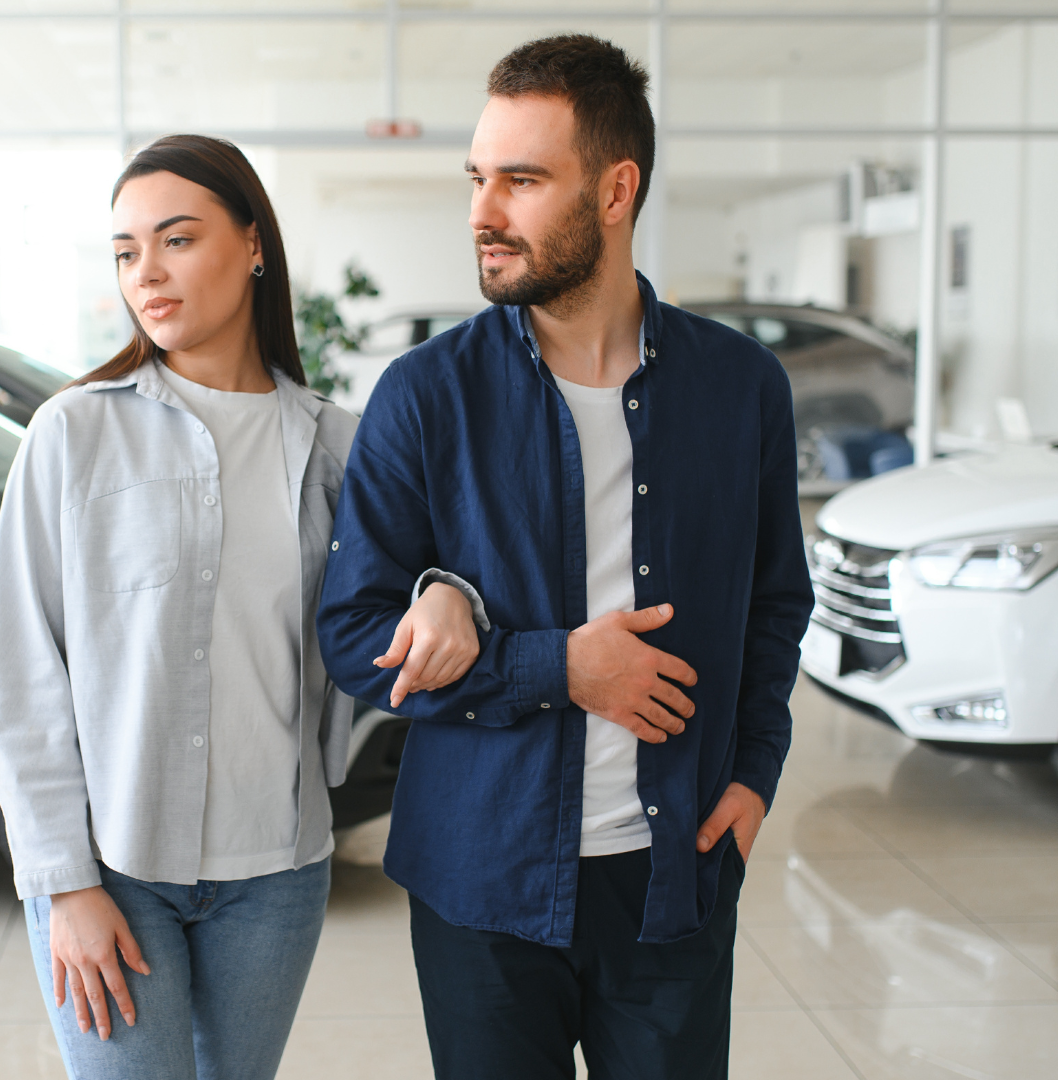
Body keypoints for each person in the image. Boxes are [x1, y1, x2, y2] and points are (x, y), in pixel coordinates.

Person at [315, 36, 815, 1080]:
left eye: (522, 180)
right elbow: (354, 637)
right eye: (477, 177)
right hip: (481, 885)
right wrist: (559, 667)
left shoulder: (741, 390)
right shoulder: (425, 395)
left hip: (674, 873)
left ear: (616, 189)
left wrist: (756, 775)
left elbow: (775, 601)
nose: (482, 211)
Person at [0, 134, 480, 1080]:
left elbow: (432, 573)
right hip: (112, 867)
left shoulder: (338, 444)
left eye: (176, 239)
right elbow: (21, 676)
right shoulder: (74, 434)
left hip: (276, 872)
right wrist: (66, 885)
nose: (147, 274)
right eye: (127, 251)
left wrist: (445, 592)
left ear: (254, 245)